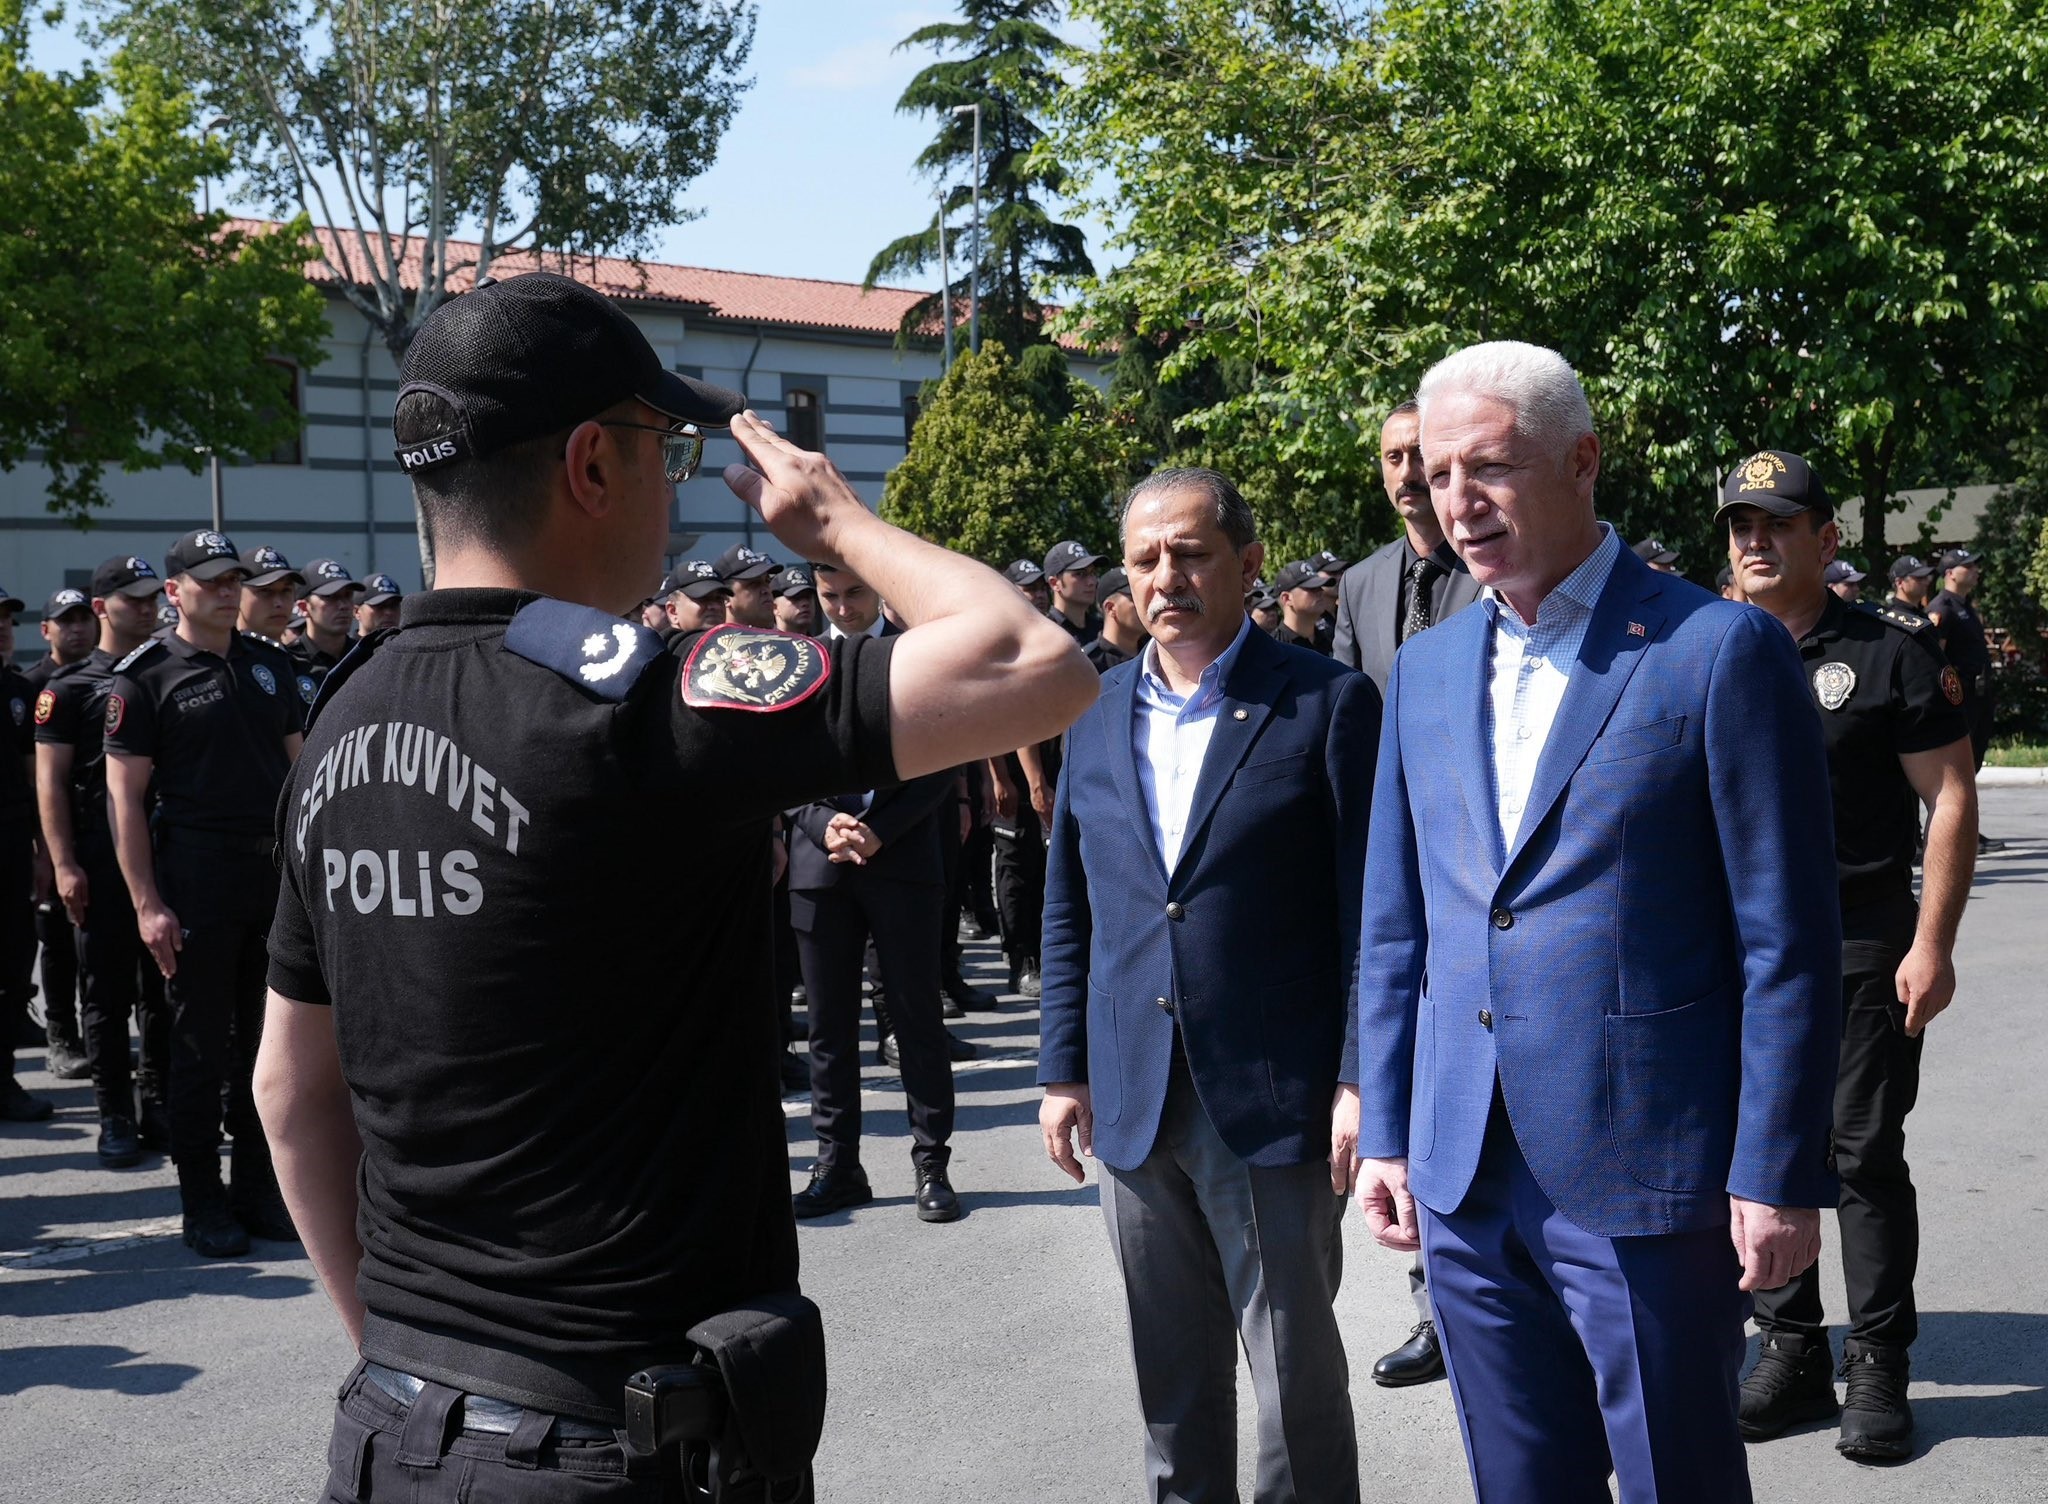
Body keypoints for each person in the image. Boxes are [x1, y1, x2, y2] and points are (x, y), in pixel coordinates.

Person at [250, 271, 1095, 1504]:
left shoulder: (342, 717)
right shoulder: (643, 699)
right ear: (592, 464)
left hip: (392, 1428)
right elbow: (1032, 660)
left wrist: (400, 1353)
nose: (677, 489)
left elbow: (290, 1092)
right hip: (610, 1443)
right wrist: (837, 523)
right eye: (666, 450)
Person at [1352, 344, 1841, 1504]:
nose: (1456, 501)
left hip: (1646, 1168)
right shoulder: (1422, 670)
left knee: (1677, 1478)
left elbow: (1785, 940)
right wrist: (1385, 1126)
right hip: (1463, 1169)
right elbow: (1396, 924)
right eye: (1435, 474)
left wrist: (1773, 1169)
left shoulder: (1715, 648)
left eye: (1489, 468)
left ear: (1581, 461)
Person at [1039, 466, 1380, 1503]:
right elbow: (1071, 905)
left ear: (1248, 562)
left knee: (1293, 1383)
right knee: (1170, 1383)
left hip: (1271, 1096)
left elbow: (1369, 912)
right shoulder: (1090, 709)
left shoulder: (1325, 702)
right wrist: (1062, 1069)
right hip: (1133, 1093)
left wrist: (1358, 1076)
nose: (1165, 577)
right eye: (1144, 559)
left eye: (1189, 554)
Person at [1721, 449, 1978, 1463]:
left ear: (1824, 539)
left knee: (1861, 1152)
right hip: (1737, 956)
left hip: (1859, 939)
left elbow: (1949, 796)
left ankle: (1876, 1360)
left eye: (1777, 524)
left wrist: (1932, 943)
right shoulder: (1702, 646)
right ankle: (1788, 1348)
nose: (1755, 541)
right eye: (1741, 525)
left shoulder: (1887, 653)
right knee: (1758, 1149)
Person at [105, 530, 305, 1256]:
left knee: (266, 1049)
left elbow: (300, 777)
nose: (226, 590)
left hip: (271, 880)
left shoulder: (269, 666)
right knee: (199, 1050)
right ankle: (202, 1202)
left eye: (232, 579)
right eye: (211, 580)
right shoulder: (146, 677)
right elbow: (124, 802)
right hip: (196, 880)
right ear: (175, 591)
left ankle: (256, 1192)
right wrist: (146, 903)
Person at [786, 567, 965, 1222]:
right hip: (822, 863)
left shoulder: (916, 656)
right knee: (829, 1028)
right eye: (828, 596)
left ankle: (932, 1163)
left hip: (903, 858)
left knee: (916, 1016)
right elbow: (779, 760)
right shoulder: (798, 662)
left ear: (877, 589)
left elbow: (944, 758)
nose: (841, 607)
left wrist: (880, 830)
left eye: (853, 593)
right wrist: (820, 822)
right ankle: (838, 1166)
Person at [34, 556, 175, 1163]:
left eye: (150, 598)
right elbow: (50, 783)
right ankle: (115, 1114)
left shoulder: (165, 672)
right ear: (100, 608)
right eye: (131, 599)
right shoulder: (68, 688)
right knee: (106, 994)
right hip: (99, 853)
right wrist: (64, 863)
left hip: (164, 851)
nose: (145, 608)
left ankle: (157, 1104)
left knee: (163, 992)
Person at [1333, 400, 1483, 689]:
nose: (1406, 473)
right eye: (1394, 458)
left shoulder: (1493, 564)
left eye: (1419, 455)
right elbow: (1347, 700)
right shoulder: (1358, 584)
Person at [27, 587, 98, 1081]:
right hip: (52, 838)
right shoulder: (35, 685)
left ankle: (96, 1040)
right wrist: (43, 848)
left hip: (97, 834)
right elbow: (34, 777)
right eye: (64, 620)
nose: (76, 628)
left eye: (82, 618)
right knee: (56, 942)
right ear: (46, 629)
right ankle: (60, 1035)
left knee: (96, 947)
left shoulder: (109, 678)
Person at [1, 581, 52, 1123]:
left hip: (12, 845)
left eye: (5, 619)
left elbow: (32, 778)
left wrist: (43, 852)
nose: (1, 629)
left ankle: (4, 1079)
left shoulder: (17, 691)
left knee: (13, 965)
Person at [1925, 548, 2001, 853]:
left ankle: (1969, 830)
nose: (1975, 571)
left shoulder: (1966, 606)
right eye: (1967, 566)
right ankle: (1955, 832)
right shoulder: (1942, 608)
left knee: (1972, 767)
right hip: (1961, 699)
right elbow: (1936, 659)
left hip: (1978, 696)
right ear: (1950, 573)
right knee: (1959, 772)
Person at [238, 547, 314, 705]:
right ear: (237, 594)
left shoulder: (306, 667)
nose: (278, 603)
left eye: (286, 590)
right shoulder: (229, 668)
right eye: (265, 591)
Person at [291, 559, 367, 695]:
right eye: (331, 597)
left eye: (348, 595)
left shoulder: (367, 657)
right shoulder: (290, 662)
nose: (343, 605)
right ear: (304, 607)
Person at [1083, 566, 1146, 672]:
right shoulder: (1087, 663)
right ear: (1110, 608)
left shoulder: (1156, 653)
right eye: (1135, 598)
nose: (1145, 604)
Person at [1042, 540, 1103, 645]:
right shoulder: (1045, 633)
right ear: (1054, 583)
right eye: (1080, 574)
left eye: (1093, 573)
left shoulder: (1102, 630)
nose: (1092, 582)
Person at [1271, 559, 1334, 653]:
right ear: (1287, 598)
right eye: (1312, 588)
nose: (1321, 591)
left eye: (1320, 587)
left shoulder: (1330, 637)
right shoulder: (1274, 648)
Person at [660, 560, 731, 637]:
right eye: (703, 598)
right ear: (673, 611)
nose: (716, 606)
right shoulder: (657, 644)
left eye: (719, 598)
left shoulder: (732, 640)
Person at [715, 543, 779, 628]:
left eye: (767, 581)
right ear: (725, 598)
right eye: (754, 584)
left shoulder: (788, 636)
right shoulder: (711, 637)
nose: (766, 590)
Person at [772, 564, 820, 634]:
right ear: (775, 608)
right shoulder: (761, 640)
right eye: (796, 597)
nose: (805, 603)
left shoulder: (823, 641)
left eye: (808, 597)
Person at [1885, 555, 1935, 620]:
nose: (1926, 582)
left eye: (1925, 577)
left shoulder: (1923, 614)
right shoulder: (1890, 617)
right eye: (1919, 578)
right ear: (1899, 583)